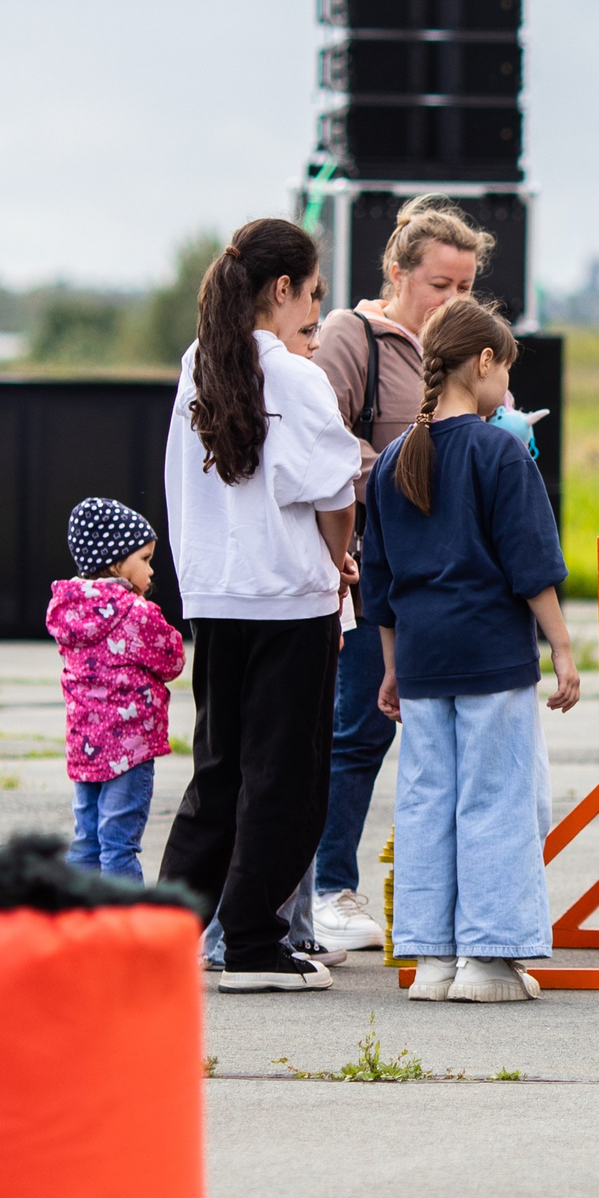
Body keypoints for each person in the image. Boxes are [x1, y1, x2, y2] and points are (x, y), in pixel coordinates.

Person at [160, 218, 363, 994]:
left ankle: (160, 938)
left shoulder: (199, 362)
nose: (315, 310)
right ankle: (249, 941)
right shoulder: (298, 378)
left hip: (215, 594)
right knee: (288, 779)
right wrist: (340, 561)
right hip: (288, 599)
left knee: (217, 775)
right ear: (282, 289)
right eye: (311, 296)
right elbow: (333, 490)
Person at [364, 296, 579, 1002]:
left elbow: (382, 579)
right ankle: (489, 961)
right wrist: (563, 648)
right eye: (505, 373)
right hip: (490, 656)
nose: (507, 391)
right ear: (482, 363)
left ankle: (430, 959)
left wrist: (392, 668)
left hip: (423, 660)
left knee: (428, 801)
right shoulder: (500, 450)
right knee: (497, 797)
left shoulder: (394, 459)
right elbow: (533, 565)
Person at [306, 195, 494, 955]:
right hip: (368, 569)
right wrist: (405, 469)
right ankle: (327, 887)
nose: (454, 301)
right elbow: (322, 442)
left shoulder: (466, 348)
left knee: (431, 739)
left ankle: (433, 893)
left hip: (449, 578)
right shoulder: (354, 338)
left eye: (466, 287)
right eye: (440, 286)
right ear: (396, 273)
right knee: (355, 732)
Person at [46, 498, 184, 882]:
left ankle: (75, 929)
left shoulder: (66, 609)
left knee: (86, 841)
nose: (151, 569)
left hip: (84, 747)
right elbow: (172, 661)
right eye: (145, 558)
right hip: (130, 749)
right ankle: (125, 937)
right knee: (119, 845)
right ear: (115, 561)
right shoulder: (136, 613)